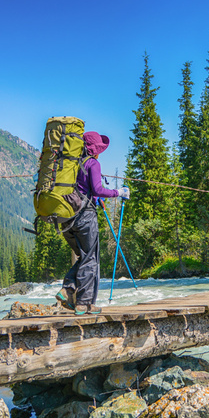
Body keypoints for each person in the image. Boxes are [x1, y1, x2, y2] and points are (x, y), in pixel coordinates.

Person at [55, 131, 130, 314]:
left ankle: (68, 289)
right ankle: (84, 303)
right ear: (95, 150)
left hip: (65, 219)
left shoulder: (70, 165)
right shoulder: (92, 163)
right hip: (84, 217)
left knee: (85, 257)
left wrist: (95, 197)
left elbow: (83, 189)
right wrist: (118, 192)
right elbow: (97, 188)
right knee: (91, 259)